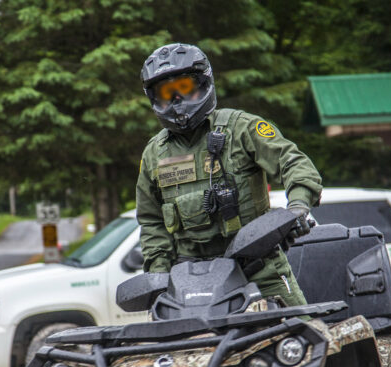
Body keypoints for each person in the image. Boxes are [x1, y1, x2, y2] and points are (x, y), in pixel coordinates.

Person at [136, 43, 322, 307]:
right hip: (190, 282)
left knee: (303, 336)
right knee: (180, 348)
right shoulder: (154, 153)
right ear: (155, 98)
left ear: (203, 83)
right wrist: (158, 275)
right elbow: (151, 221)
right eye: (167, 92)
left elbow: (293, 162)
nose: (176, 99)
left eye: (185, 87)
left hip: (257, 269)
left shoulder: (241, 127)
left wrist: (299, 207)